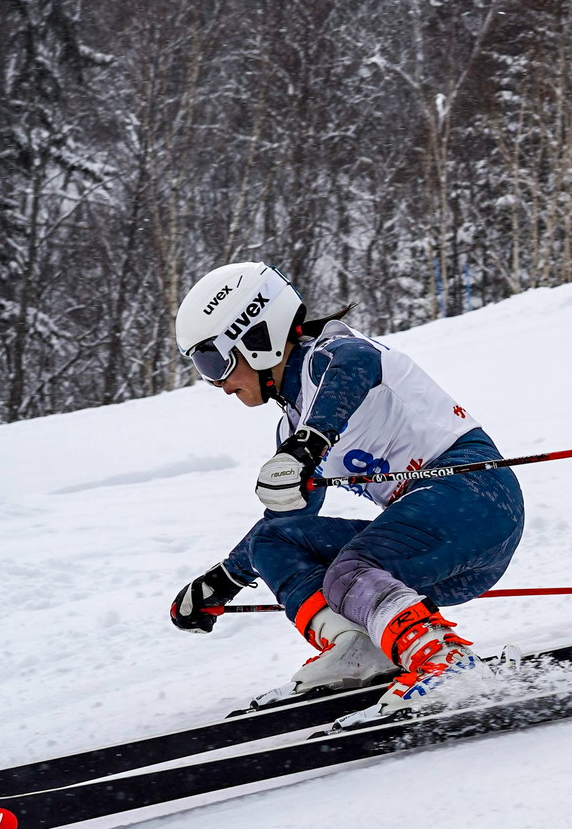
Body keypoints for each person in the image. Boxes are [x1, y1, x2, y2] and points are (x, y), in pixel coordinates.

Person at [169, 260, 525, 718]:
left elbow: (358, 363)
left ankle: (443, 659)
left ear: (256, 337)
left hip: (475, 496)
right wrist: (223, 580)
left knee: (349, 570)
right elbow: (289, 522)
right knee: (273, 541)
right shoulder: (292, 425)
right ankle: (358, 646)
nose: (216, 383)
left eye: (213, 361)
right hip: (432, 546)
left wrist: (308, 445)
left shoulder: (330, 356)